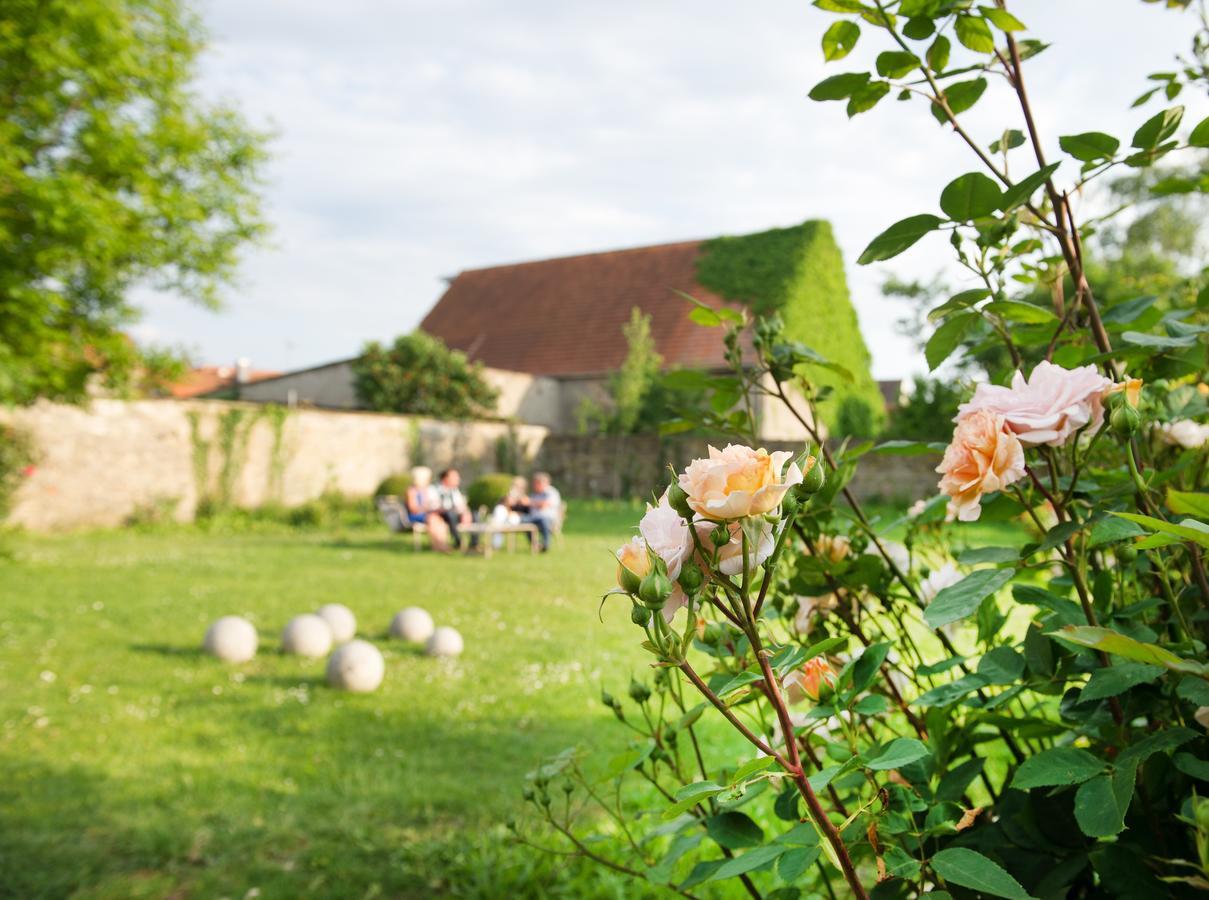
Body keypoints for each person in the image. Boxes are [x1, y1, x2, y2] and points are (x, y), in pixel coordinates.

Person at [404, 466, 450, 552]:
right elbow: (413, 508)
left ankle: (442, 544)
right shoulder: (411, 491)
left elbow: (428, 503)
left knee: (439, 520)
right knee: (433, 519)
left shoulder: (425, 490)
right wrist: (426, 508)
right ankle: (437, 546)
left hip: (427, 514)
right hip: (415, 516)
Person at [521, 471, 561, 552]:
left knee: (544, 520)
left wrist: (531, 502)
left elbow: (545, 504)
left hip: (548, 518)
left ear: (544, 483)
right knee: (521, 520)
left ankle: (546, 545)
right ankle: (536, 544)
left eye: (537, 483)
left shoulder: (551, 492)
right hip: (534, 518)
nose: (534, 486)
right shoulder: (534, 494)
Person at [436, 468, 475, 549]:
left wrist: (465, 512)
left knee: (474, 515)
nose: (458, 479)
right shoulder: (436, 490)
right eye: (455, 477)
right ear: (445, 478)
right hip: (443, 515)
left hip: (457, 514)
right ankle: (458, 541)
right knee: (451, 514)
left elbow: (461, 505)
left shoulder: (455, 491)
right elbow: (435, 506)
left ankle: (474, 544)